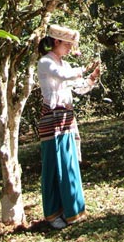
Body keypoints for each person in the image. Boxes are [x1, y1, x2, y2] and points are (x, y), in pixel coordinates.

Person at [36, 23, 100, 230]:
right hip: (52, 119)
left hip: (66, 117)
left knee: (68, 163)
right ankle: (53, 213)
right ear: (56, 42)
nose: (70, 49)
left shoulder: (63, 64)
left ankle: (71, 210)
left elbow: (76, 88)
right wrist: (84, 69)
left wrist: (91, 79)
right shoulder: (46, 62)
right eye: (68, 44)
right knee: (54, 166)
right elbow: (64, 77)